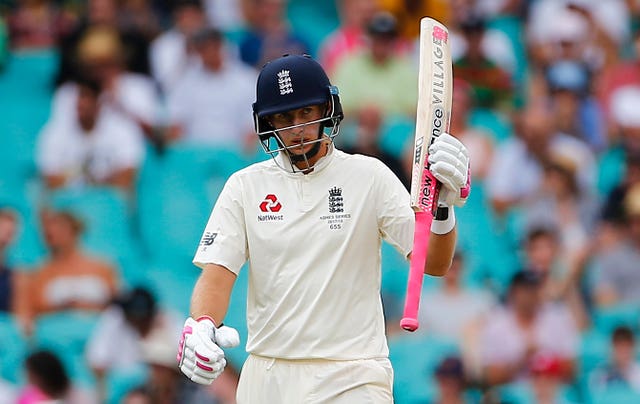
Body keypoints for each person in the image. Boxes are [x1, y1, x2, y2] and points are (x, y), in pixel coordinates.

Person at [176, 54, 470, 402]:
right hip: (269, 377)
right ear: (267, 123)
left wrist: (441, 210)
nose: (297, 128)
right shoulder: (245, 186)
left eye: (305, 113)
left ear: (326, 110)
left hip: (353, 374)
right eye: (284, 117)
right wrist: (204, 323)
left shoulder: (369, 177)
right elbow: (217, 274)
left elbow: (434, 264)